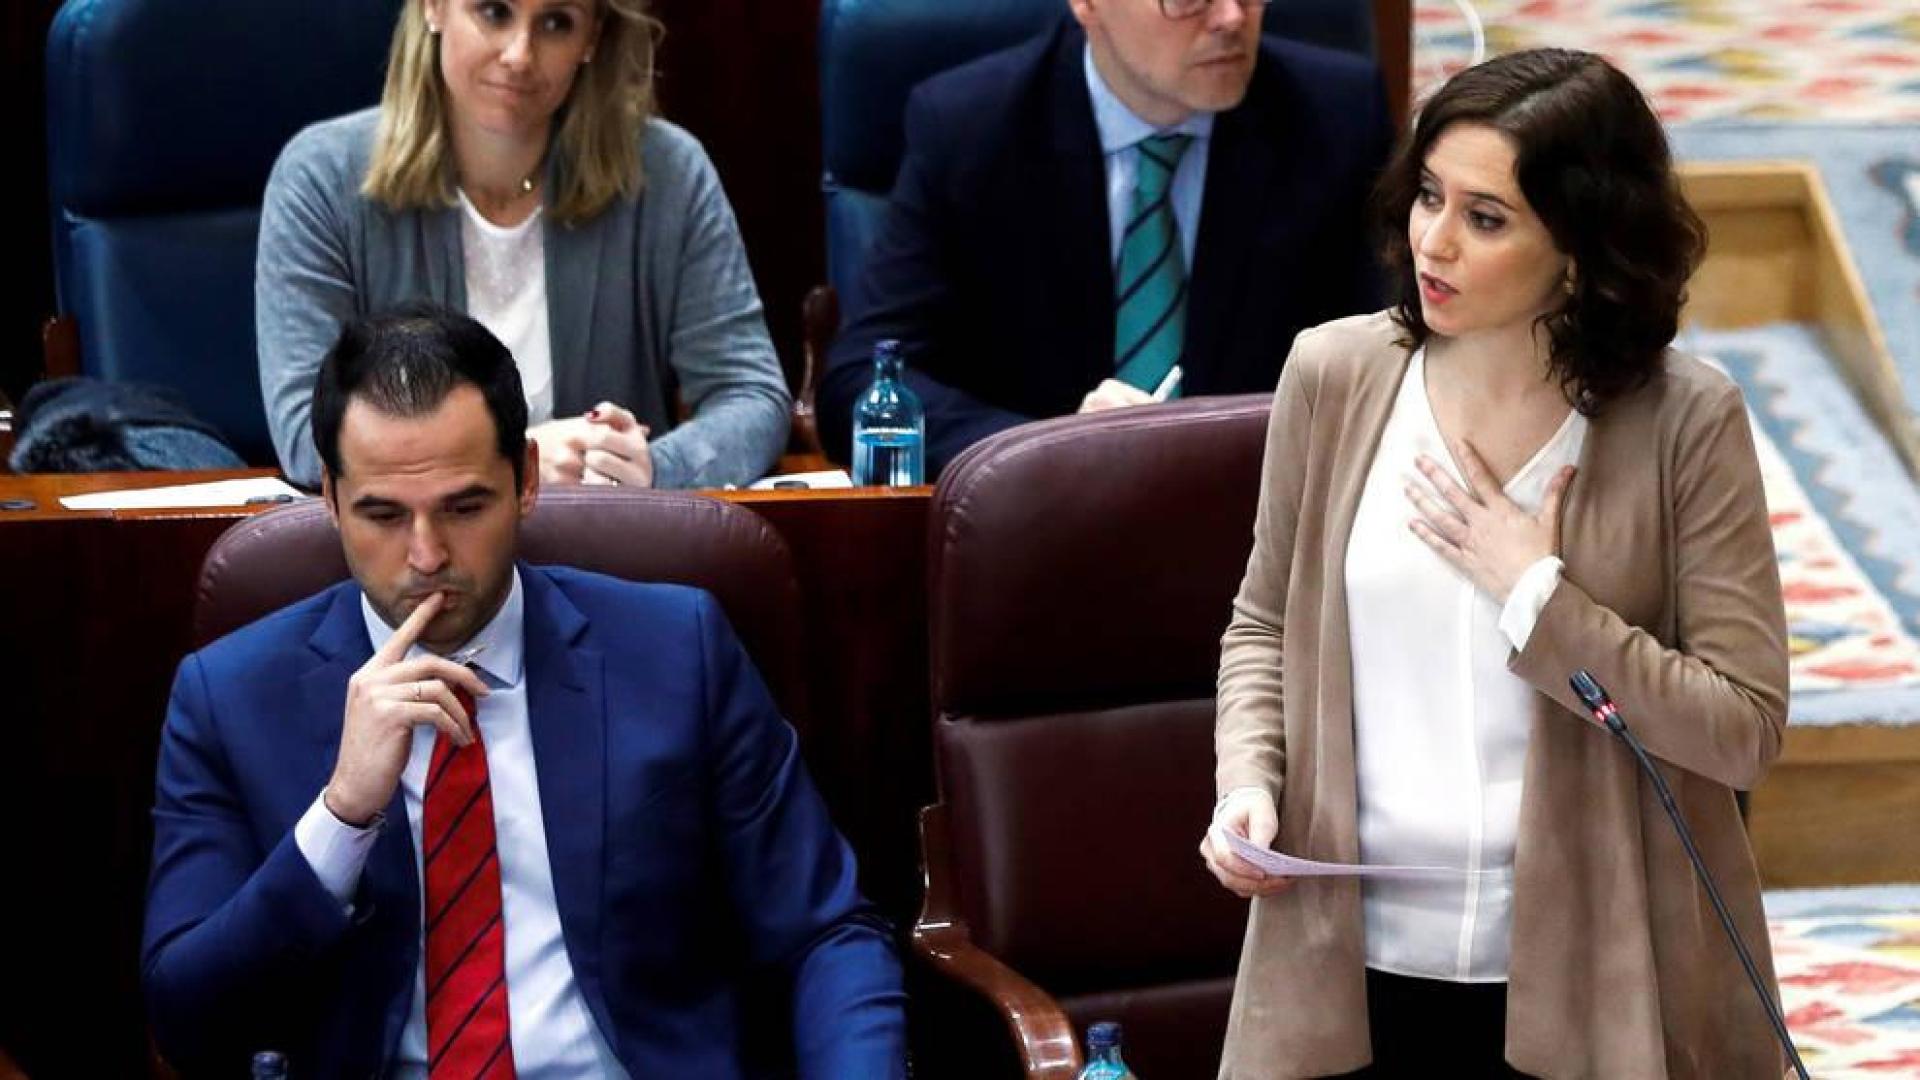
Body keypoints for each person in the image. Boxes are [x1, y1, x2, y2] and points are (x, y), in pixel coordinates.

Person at [1199, 49, 1789, 1077]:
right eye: (1430, 195)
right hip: (1350, 958)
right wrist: (1248, 779)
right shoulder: (1332, 376)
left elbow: (1741, 729)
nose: (1434, 241)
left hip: (1591, 975)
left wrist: (1539, 596)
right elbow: (1263, 626)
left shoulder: (1685, 421)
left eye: (1487, 217)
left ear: (1579, 248)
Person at [145, 304, 906, 1077]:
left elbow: (826, 932)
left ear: (527, 482)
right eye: (381, 514)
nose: (426, 554)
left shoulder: (677, 651)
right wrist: (342, 816)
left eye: (464, 507)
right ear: (331, 498)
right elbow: (187, 1018)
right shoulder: (230, 697)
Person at [820, 0, 1392, 477]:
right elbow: (859, 384)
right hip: (1032, 537)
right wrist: (1047, 450)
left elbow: (1389, 362)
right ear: (1087, 5)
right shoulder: (971, 128)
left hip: (1257, 531)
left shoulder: (1333, 117)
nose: (1229, 17)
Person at [257, 0, 790, 491]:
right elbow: (308, 433)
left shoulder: (667, 172)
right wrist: (516, 458)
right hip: (409, 559)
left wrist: (653, 467)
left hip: (607, 546)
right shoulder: (321, 177)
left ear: (591, 38)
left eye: (556, 23)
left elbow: (752, 396)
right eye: (495, 12)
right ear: (434, 8)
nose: (520, 54)